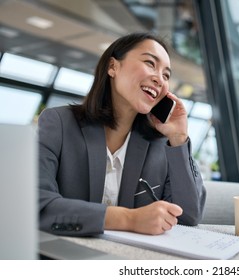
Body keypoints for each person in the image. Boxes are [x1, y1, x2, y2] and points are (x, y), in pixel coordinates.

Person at [38, 32, 206, 237]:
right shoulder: (59, 124)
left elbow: (188, 216)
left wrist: (179, 137)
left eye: (166, 75)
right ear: (112, 67)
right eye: (150, 63)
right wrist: (129, 219)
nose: (159, 79)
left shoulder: (162, 144)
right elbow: (38, 207)